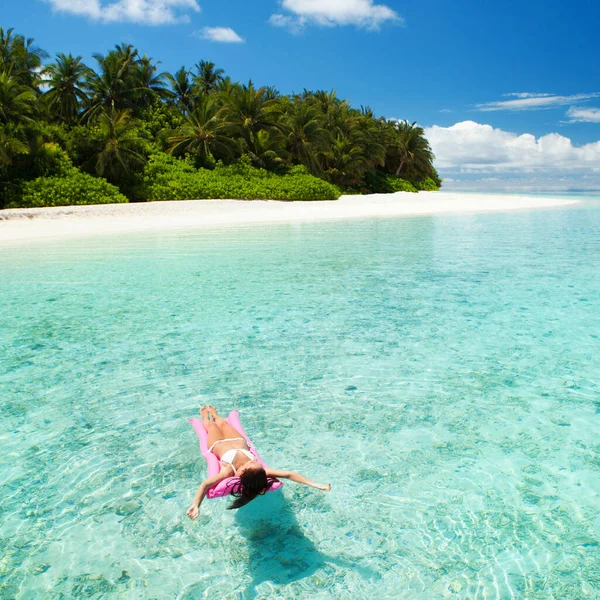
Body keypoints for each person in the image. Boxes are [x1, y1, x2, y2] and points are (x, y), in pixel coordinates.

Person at [187, 406, 331, 519]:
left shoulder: (228, 471)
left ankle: (206, 416)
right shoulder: (261, 471)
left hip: (217, 443)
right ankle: (216, 414)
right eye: (256, 462)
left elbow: (205, 484)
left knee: (211, 426)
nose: (255, 460)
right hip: (238, 440)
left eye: (253, 462)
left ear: (244, 472)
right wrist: (316, 484)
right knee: (223, 422)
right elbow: (289, 474)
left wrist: (195, 505)